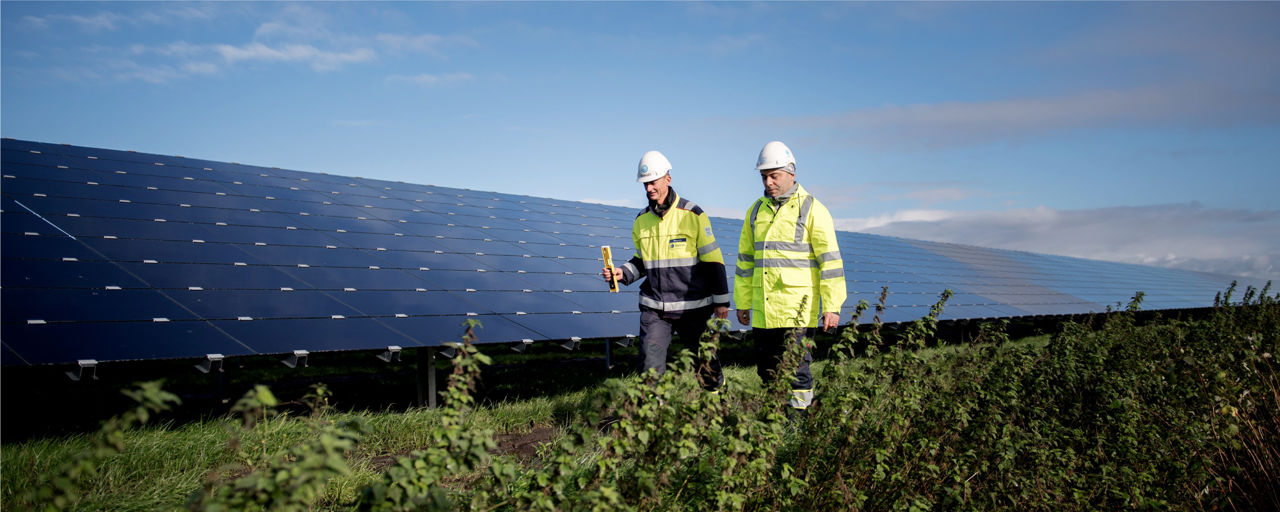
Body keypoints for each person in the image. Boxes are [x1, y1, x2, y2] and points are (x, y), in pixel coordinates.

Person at [602, 150, 729, 390]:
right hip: (655, 309)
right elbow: (642, 261)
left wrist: (721, 301)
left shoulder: (693, 214)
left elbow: (713, 260)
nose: (649, 188)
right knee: (649, 368)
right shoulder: (641, 220)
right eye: (645, 184)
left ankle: (715, 407)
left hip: (692, 307)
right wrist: (622, 273)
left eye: (653, 182)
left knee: (705, 363)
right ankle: (652, 419)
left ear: (667, 179)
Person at [734, 141, 846, 411]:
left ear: (791, 173)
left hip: (797, 312)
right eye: (764, 176)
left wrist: (832, 306)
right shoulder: (755, 212)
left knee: (797, 370)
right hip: (763, 311)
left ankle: (798, 424)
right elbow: (745, 263)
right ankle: (775, 422)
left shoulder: (812, 209)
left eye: (774, 176)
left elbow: (830, 263)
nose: (769, 182)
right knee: (767, 371)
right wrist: (743, 302)